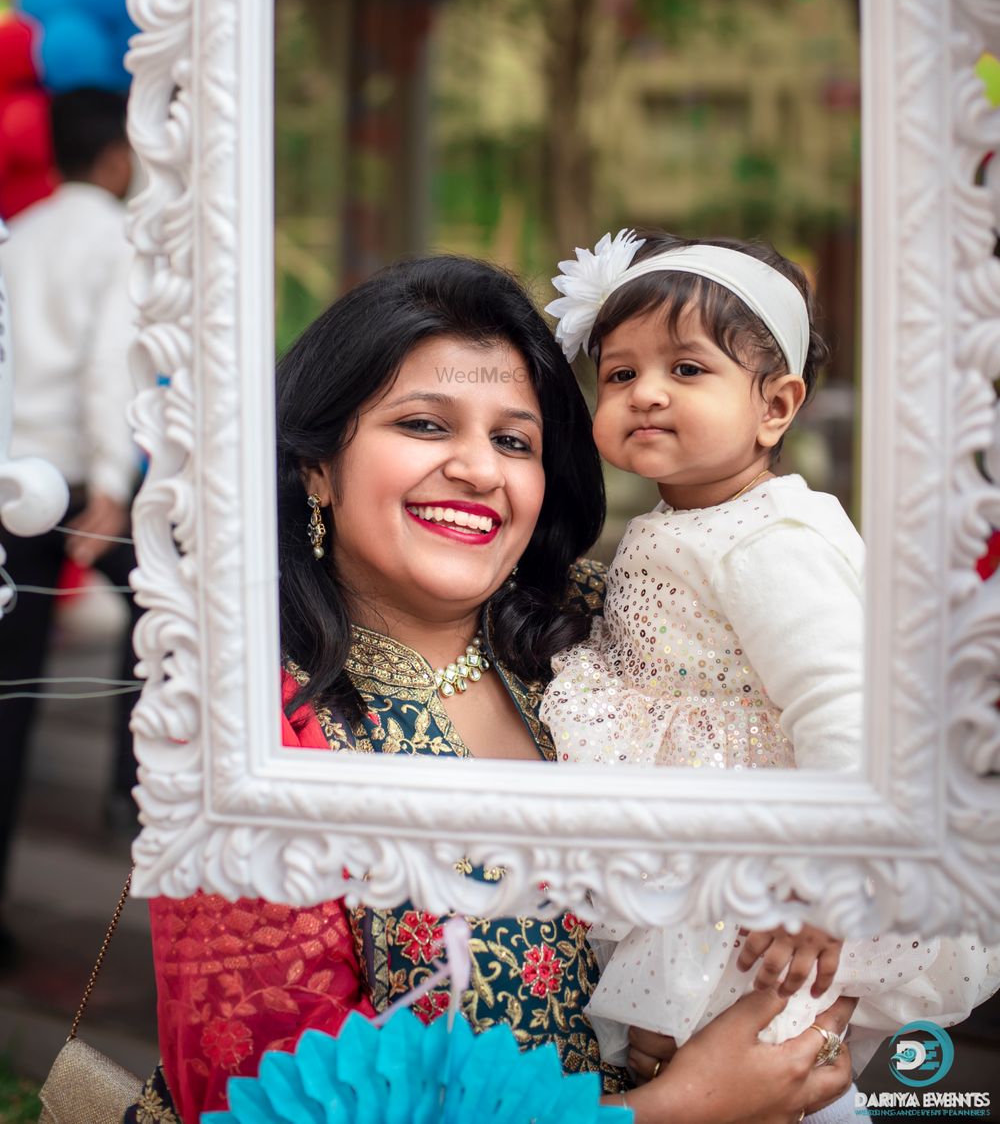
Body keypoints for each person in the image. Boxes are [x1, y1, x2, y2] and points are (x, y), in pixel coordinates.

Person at [131, 255, 855, 1124]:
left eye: (514, 441)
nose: (479, 470)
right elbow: (268, 1105)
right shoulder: (251, 737)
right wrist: (683, 1108)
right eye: (426, 425)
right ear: (316, 464)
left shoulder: (615, 637)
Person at [540, 228, 998, 1103]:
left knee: (756, 1062)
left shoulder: (771, 537)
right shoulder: (692, 520)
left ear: (776, 407)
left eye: (687, 370)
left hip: (766, 879)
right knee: (686, 1063)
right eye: (622, 373)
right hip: (712, 863)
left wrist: (829, 890)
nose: (646, 394)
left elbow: (849, 710)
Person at [0, 88, 141, 962]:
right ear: (119, 156)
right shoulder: (117, 234)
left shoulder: (22, 233)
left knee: (8, 698)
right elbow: (108, 365)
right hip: (67, 480)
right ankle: (127, 788)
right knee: (160, 614)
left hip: (9, 480)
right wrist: (116, 480)